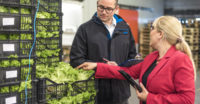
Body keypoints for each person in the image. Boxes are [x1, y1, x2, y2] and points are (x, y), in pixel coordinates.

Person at [77, 16, 196, 104]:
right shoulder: (152, 58)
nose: (150, 32)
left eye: (152, 28)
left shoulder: (180, 60)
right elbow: (128, 72)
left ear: (160, 34)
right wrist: (97, 66)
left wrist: (149, 98)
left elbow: (187, 99)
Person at [69, 0, 136, 104]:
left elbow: (131, 57)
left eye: (108, 9)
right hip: (95, 94)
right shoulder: (85, 29)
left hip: (121, 93)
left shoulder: (125, 29)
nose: (104, 12)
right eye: (101, 7)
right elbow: (76, 61)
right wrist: (102, 66)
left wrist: (120, 66)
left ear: (116, 9)